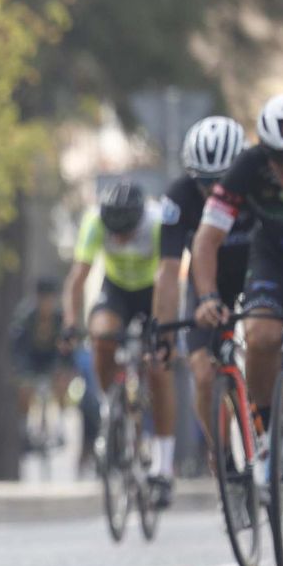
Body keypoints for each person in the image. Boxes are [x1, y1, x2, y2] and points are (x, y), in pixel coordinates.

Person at [195, 95, 283, 492]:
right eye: (278, 157)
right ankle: (265, 434)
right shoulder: (248, 167)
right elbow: (206, 239)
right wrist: (208, 297)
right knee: (261, 336)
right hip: (273, 258)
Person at [64, 180, 176, 505]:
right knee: (101, 338)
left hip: (154, 291)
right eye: (114, 233)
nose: (120, 240)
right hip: (116, 289)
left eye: (126, 233)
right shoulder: (94, 221)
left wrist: (164, 334)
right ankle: (111, 406)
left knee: (158, 368)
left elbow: (169, 276)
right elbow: (78, 278)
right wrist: (70, 324)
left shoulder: (157, 223)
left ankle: (163, 466)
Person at [156, 116, 247, 459]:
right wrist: (164, 334)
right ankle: (222, 455)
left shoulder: (256, 184)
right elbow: (168, 271)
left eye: (222, 180)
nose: (213, 191)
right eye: (204, 181)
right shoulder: (179, 197)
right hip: (206, 285)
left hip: (254, 274)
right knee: (203, 373)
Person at [10, 276, 75, 449]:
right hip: (31, 362)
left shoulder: (59, 319)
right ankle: (24, 430)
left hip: (52, 361)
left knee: (61, 383)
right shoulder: (26, 319)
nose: (47, 303)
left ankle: (60, 428)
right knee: (25, 389)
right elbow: (19, 347)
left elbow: (66, 350)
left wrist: (65, 368)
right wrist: (22, 371)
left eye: (50, 299)